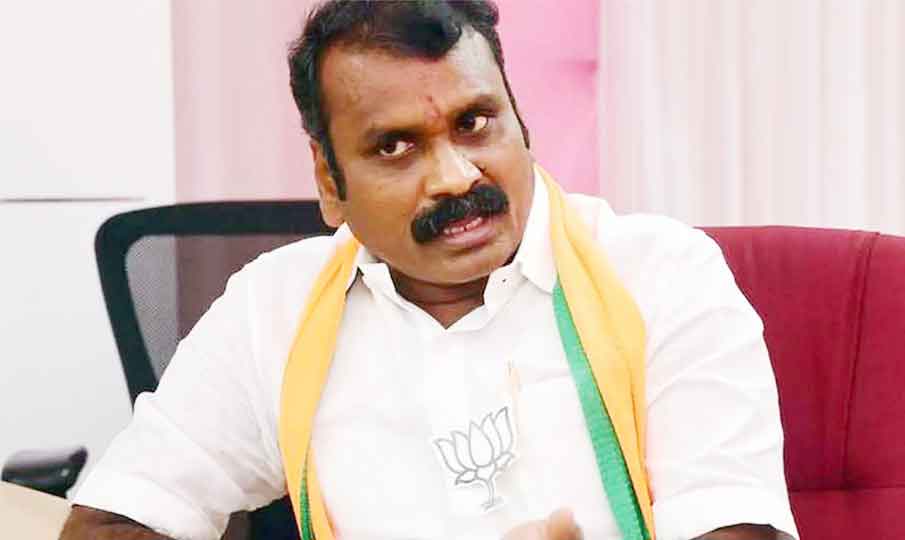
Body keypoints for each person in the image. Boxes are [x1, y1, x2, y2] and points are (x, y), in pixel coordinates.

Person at [60, 1, 799, 539]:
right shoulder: (273, 307)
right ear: (328, 180)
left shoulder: (663, 276)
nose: (454, 177)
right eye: (394, 147)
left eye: (475, 123)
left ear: (520, 122)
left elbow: (732, 525)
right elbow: (120, 518)